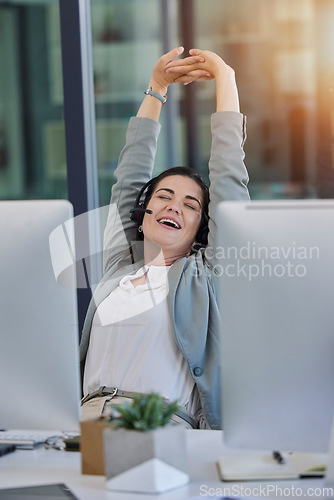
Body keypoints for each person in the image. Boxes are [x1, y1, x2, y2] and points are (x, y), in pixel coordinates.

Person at [79, 47, 250, 429]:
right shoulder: (120, 267)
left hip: (162, 428)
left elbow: (228, 180)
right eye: (164, 197)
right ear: (144, 215)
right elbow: (129, 177)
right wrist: (156, 87)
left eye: (190, 205)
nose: (174, 207)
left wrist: (225, 78)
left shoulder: (204, 276)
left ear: (200, 229)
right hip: (85, 424)